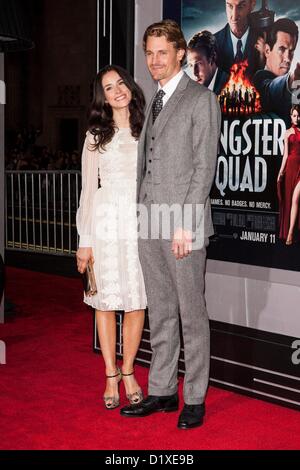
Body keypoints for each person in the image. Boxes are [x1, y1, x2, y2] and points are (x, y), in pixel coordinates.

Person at [120, 20, 221, 429]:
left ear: (180, 53)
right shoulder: (155, 101)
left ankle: (194, 397)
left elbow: (203, 168)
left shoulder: (200, 100)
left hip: (184, 225)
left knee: (191, 313)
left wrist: (186, 224)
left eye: (162, 52)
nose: (154, 60)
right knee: (161, 311)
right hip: (149, 222)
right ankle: (162, 390)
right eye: (149, 53)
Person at [76, 65, 147, 410]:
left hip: (138, 224)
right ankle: (109, 373)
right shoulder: (95, 136)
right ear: (101, 97)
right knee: (104, 302)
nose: (117, 90)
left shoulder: (146, 128)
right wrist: (84, 241)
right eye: (108, 87)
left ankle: (129, 369)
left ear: (130, 87)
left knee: (135, 300)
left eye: (121, 83)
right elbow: (88, 192)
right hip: (104, 224)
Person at [253, 18, 300, 125]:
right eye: (282, 49)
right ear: (267, 51)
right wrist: (292, 80)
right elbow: (271, 89)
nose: (287, 58)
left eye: (291, 51)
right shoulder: (260, 79)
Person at [214, 0, 258, 77]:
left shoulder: (266, 42)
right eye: (230, 6)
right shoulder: (211, 45)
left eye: (241, 7)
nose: (234, 17)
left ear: (252, 5)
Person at [277, 105, 300, 245]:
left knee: (296, 198)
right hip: (291, 167)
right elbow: (285, 155)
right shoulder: (287, 132)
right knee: (290, 200)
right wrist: (280, 172)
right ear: (290, 116)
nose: (296, 118)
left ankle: (290, 232)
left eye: (298, 115)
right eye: (294, 115)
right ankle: (290, 230)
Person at [186, 30, 229, 95]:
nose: (194, 73)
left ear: (212, 58)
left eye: (198, 64)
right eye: (191, 65)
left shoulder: (230, 85)